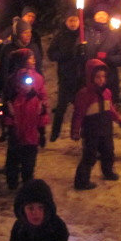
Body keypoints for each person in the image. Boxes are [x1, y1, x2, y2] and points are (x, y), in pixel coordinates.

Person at [71, 59, 121, 190]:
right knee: (90, 155)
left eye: (103, 77)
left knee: (108, 151)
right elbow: (78, 114)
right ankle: (82, 181)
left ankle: (108, 171)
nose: (101, 80)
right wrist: (75, 130)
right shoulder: (84, 94)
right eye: (97, 77)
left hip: (106, 128)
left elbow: (110, 108)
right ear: (90, 77)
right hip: (92, 130)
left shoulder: (107, 92)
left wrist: (119, 119)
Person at [2, 49, 49, 190]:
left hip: (32, 127)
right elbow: (5, 104)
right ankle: (12, 180)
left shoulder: (38, 79)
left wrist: (42, 128)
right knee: (14, 156)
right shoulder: (12, 81)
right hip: (17, 127)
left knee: (29, 158)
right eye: (30, 58)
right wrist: (8, 126)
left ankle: (27, 181)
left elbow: (43, 102)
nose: (34, 61)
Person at [81, 3, 121, 104]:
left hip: (109, 80)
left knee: (108, 113)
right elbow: (77, 57)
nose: (101, 16)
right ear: (94, 17)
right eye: (98, 14)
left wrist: (108, 58)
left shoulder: (115, 35)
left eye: (104, 14)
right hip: (90, 80)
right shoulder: (86, 33)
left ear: (108, 17)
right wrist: (80, 51)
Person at [47, 9, 81, 142]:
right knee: (61, 107)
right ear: (66, 22)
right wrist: (61, 56)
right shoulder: (60, 36)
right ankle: (55, 133)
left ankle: (77, 132)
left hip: (80, 77)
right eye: (70, 20)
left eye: (75, 20)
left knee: (80, 108)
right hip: (65, 77)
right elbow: (51, 53)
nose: (73, 23)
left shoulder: (83, 35)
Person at [0, 18, 43, 94]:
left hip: (32, 86)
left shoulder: (33, 47)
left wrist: (40, 84)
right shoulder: (8, 49)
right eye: (25, 33)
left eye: (30, 32)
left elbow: (38, 67)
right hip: (15, 87)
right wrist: (7, 89)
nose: (29, 35)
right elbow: (4, 71)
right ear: (18, 34)